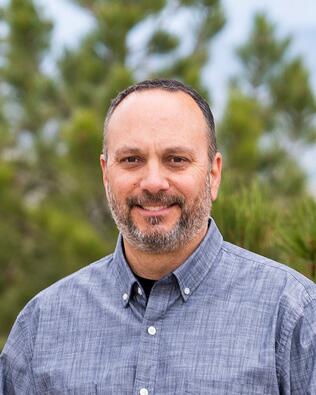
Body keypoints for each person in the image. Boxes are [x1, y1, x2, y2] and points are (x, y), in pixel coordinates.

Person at [0, 79, 315, 395]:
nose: (153, 182)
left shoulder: (291, 316)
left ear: (213, 174)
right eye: (132, 160)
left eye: (176, 159)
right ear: (105, 174)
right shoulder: (42, 325)